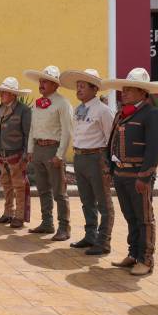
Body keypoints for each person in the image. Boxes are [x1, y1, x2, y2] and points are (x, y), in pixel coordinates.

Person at [103, 68, 158, 276]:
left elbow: (154, 148)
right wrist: (109, 169)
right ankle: (133, 254)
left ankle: (146, 259)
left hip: (139, 176)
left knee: (144, 218)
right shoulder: (122, 113)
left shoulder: (152, 114)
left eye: (131, 89)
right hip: (121, 175)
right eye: (125, 89)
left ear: (143, 93)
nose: (125, 92)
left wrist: (145, 176)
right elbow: (111, 142)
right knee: (130, 216)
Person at [59, 69, 115, 255]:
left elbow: (110, 139)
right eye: (78, 86)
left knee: (103, 202)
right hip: (80, 157)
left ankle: (103, 240)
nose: (79, 89)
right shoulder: (78, 109)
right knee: (86, 200)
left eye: (83, 86)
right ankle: (90, 235)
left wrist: (108, 164)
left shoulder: (104, 111)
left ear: (94, 88)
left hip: (96, 158)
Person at [24, 65, 73, 241]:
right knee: (43, 189)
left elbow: (67, 131)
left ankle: (64, 227)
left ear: (55, 85)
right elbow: (32, 129)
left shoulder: (63, 103)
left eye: (46, 81)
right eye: (41, 81)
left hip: (53, 149)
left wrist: (60, 155)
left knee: (59, 191)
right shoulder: (37, 104)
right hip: (38, 150)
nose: (42, 84)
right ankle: (47, 223)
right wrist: (30, 150)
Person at [0, 77, 32, 228]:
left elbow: (28, 134)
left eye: (5, 92)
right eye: (2, 91)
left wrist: (26, 155)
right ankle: (8, 213)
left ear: (13, 94)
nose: (2, 94)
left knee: (19, 185)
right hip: (1, 154)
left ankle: (19, 216)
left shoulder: (24, 110)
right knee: (6, 184)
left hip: (16, 154)